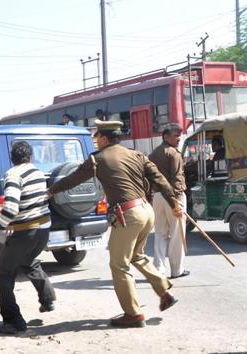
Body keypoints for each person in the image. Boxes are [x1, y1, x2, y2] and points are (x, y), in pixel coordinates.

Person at [48, 119, 182, 328]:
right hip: (146, 212)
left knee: (118, 265)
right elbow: (161, 179)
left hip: (128, 214)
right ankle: (164, 291)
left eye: (97, 139)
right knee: (137, 255)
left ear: (103, 138)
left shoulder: (97, 159)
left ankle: (133, 314)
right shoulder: (136, 154)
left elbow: (74, 179)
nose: (96, 143)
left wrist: (51, 190)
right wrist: (174, 202)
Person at [0, 141, 56, 335]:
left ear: (12, 158)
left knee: (3, 274)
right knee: (28, 260)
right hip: (43, 229)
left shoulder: (13, 174)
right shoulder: (38, 172)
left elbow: (10, 208)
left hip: (27, 230)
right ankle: (47, 297)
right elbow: (30, 202)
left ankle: (13, 321)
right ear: (30, 157)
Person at [148, 123, 189, 279]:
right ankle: (176, 270)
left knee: (160, 233)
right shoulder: (173, 153)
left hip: (157, 197)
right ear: (165, 136)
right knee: (177, 234)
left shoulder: (153, 154)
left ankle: (158, 270)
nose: (178, 139)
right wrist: (176, 201)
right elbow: (177, 180)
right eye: (175, 135)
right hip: (173, 196)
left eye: (179, 135)